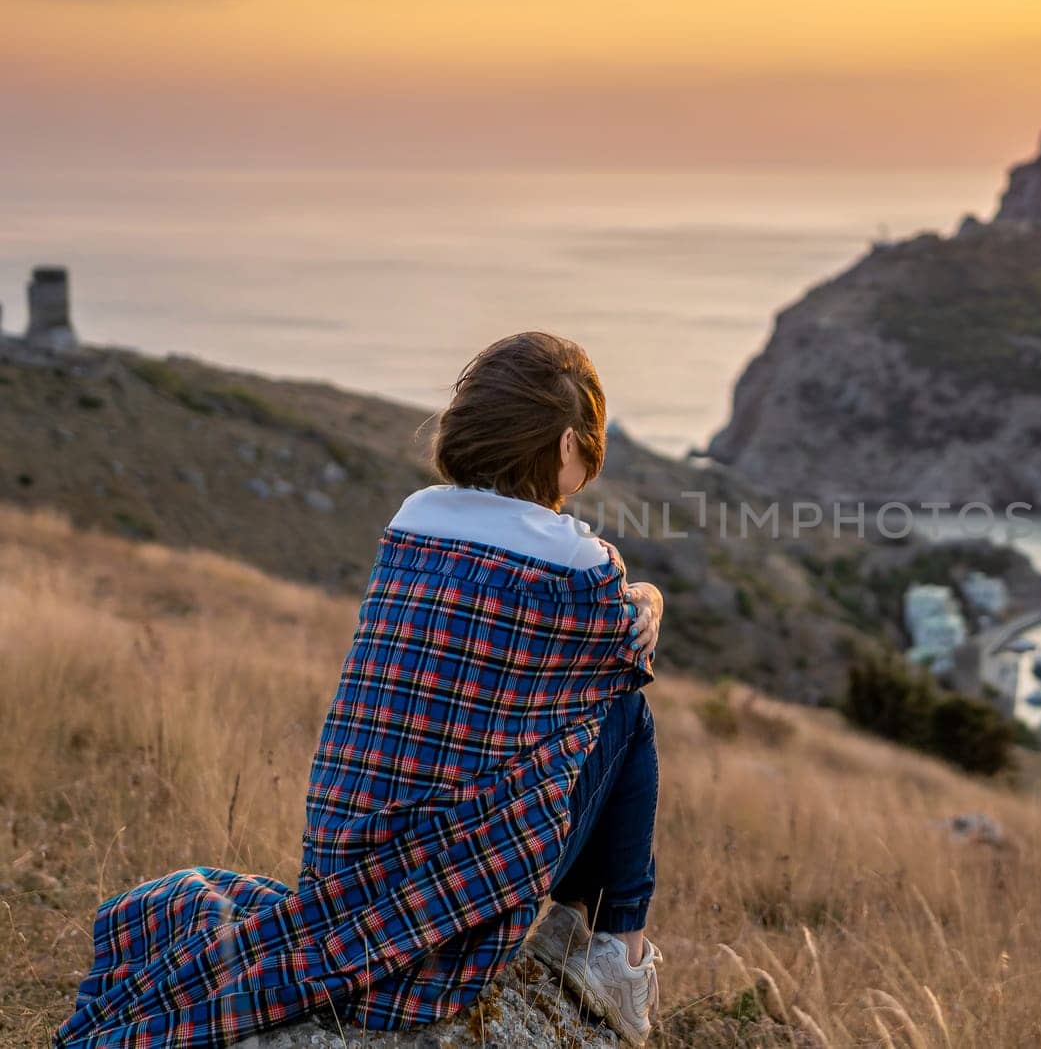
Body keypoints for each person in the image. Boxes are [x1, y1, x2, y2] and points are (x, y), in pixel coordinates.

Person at [57, 332, 666, 1048]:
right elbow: (629, 641)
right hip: (453, 908)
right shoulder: (576, 564)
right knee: (626, 709)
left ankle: (579, 937)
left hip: (341, 866)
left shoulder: (414, 519)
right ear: (567, 445)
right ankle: (619, 954)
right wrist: (649, 595)